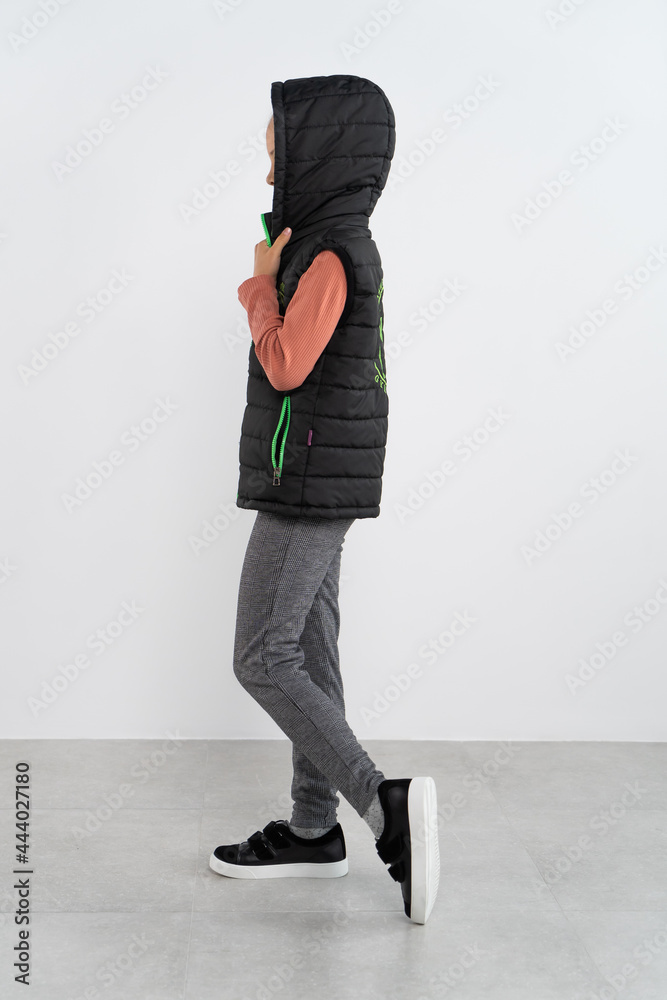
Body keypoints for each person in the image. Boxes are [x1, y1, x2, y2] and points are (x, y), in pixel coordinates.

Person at [209, 75, 439, 924]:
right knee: (308, 650)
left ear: (324, 152)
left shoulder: (330, 253)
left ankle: (383, 807)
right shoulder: (328, 242)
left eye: (282, 145)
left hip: (305, 484)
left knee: (262, 658)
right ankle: (313, 830)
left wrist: (258, 285)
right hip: (316, 474)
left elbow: (285, 365)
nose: (271, 162)